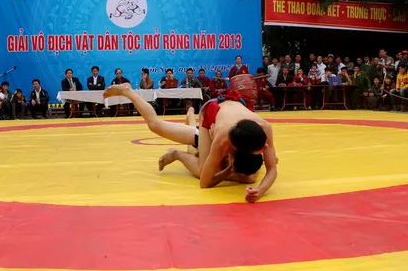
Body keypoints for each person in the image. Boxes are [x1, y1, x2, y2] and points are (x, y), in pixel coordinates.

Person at [103, 83, 278, 203]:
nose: (266, 149)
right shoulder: (221, 139)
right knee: (156, 126)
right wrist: (228, 171)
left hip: (233, 112)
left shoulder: (264, 128)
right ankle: (128, 91)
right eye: (261, 149)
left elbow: (272, 168)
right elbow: (205, 182)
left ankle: (190, 120)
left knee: (250, 176)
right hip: (211, 113)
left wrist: (260, 191)